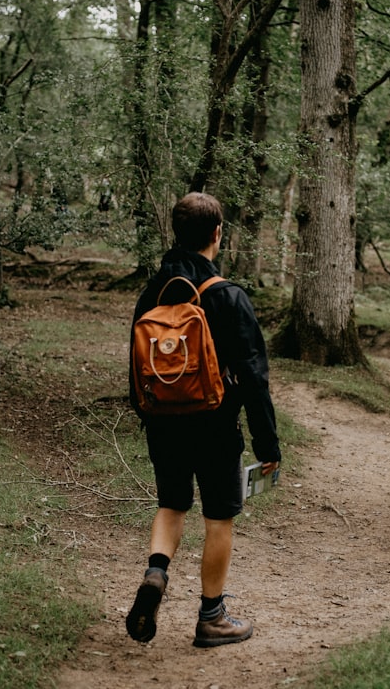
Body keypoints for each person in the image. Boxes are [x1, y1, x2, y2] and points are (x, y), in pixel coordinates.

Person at [126, 192, 282, 648]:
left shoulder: (152, 295)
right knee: (218, 518)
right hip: (216, 428)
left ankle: (157, 572)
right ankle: (211, 617)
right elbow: (255, 378)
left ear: (177, 234)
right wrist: (268, 446)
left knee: (172, 504)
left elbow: (136, 369)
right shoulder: (229, 297)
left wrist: (149, 416)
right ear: (218, 234)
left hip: (163, 423)